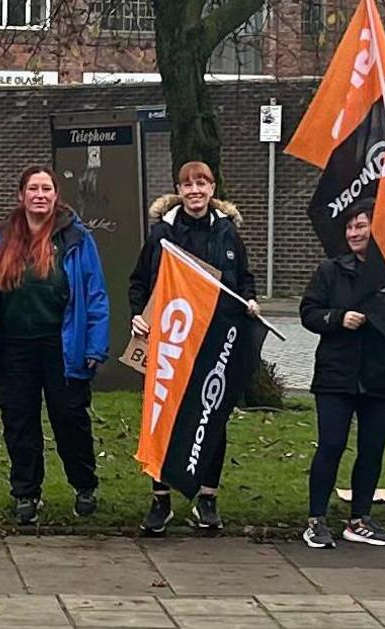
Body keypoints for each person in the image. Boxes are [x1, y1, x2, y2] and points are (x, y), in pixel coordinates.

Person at [0, 166, 110, 524]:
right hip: (15, 348)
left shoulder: (76, 239)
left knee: (70, 419)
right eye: (33, 188)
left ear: (55, 195)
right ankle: (26, 493)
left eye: (46, 189)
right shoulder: (3, 238)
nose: (40, 195)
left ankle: (84, 485)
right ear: (21, 196)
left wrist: (96, 346)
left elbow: (95, 295)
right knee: (19, 423)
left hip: (62, 347)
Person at [129, 161, 259, 535]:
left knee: (211, 416)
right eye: (188, 185)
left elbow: (243, 279)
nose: (195, 191)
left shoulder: (227, 234)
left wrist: (249, 300)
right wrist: (138, 315)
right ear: (179, 190)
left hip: (215, 339)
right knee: (162, 417)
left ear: (212, 188)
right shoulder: (161, 234)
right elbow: (139, 283)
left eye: (202, 184)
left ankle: (207, 499)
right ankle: (161, 501)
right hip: (171, 340)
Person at [299, 199, 385, 548]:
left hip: (380, 374)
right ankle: (316, 520)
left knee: (372, 448)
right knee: (331, 445)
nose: (355, 233)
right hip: (336, 375)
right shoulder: (330, 270)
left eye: (362, 225)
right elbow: (309, 312)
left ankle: (359, 518)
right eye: (350, 227)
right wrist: (338, 318)